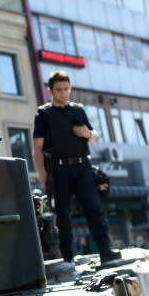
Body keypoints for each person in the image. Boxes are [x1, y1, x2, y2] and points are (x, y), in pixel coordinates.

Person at [33, 70, 121, 266]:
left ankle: (105, 252)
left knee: (94, 209)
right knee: (63, 215)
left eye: (66, 89)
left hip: (83, 167)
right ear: (50, 90)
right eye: (59, 90)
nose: (63, 93)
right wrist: (41, 173)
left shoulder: (78, 110)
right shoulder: (43, 114)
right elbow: (37, 148)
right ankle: (68, 258)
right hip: (59, 170)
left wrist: (87, 133)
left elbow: (95, 136)